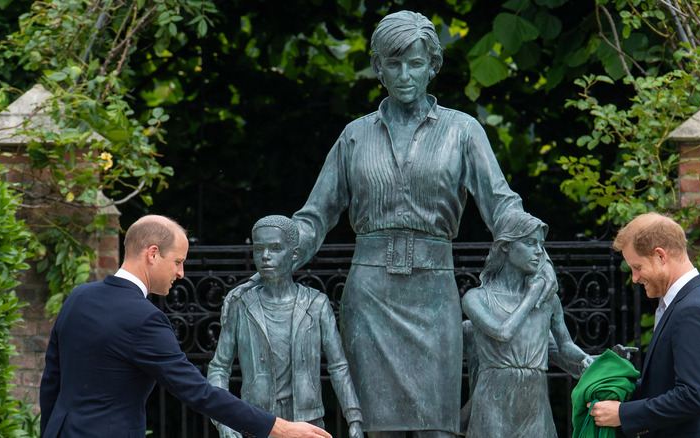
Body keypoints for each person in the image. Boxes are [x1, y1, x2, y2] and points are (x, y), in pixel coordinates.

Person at [281, 10, 558, 437]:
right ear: (378, 68)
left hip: (433, 290)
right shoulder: (355, 136)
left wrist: (533, 249)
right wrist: (283, 247)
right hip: (370, 298)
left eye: (416, 63)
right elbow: (314, 217)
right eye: (394, 64)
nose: (405, 75)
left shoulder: (463, 131)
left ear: (433, 66)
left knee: (438, 428)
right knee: (379, 428)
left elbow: (501, 205)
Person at [39, 215, 332, 438]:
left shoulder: (79, 297)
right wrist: (278, 428)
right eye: (178, 261)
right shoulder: (145, 319)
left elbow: (52, 379)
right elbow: (198, 392)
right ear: (152, 254)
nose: (181, 273)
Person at [207, 216, 363, 438]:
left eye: (276, 248)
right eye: (258, 249)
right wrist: (223, 420)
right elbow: (219, 368)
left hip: (307, 423)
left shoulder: (316, 304)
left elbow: (338, 367)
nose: (266, 257)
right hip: (256, 422)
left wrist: (354, 418)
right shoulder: (241, 306)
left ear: (295, 254)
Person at [588, 212, 700, 437]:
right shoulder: (681, 302)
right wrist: (620, 390)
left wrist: (623, 414)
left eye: (637, 267)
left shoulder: (692, 310)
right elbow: (666, 387)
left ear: (660, 256)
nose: (635, 278)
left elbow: (692, 396)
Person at [461, 211, 593, 438]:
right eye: (530, 243)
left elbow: (564, 347)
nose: (539, 252)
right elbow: (503, 332)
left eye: (541, 245)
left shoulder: (549, 300)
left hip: (534, 402)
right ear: (506, 246)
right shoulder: (477, 298)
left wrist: (589, 360)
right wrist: (531, 296)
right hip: (493, 401)